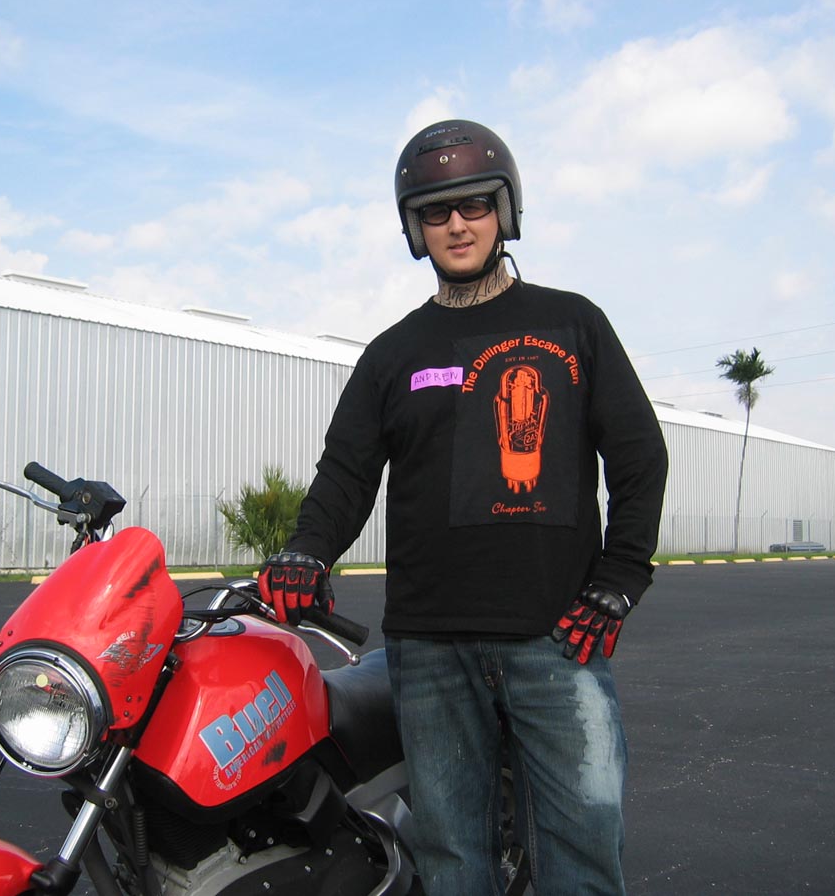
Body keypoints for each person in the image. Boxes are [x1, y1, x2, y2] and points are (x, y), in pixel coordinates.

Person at [258, 119, 668, 895]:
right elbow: (346, 474)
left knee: (583, 851)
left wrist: (620, 578)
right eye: (435, 211)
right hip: (429, 649)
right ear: (414, 227)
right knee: (451, 860)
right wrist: (307, 550)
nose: (457, 224)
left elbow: (640, 456)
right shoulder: (393, 353)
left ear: (504, 211)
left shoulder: (573, 323)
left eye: (474, 205)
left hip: (555, 639)